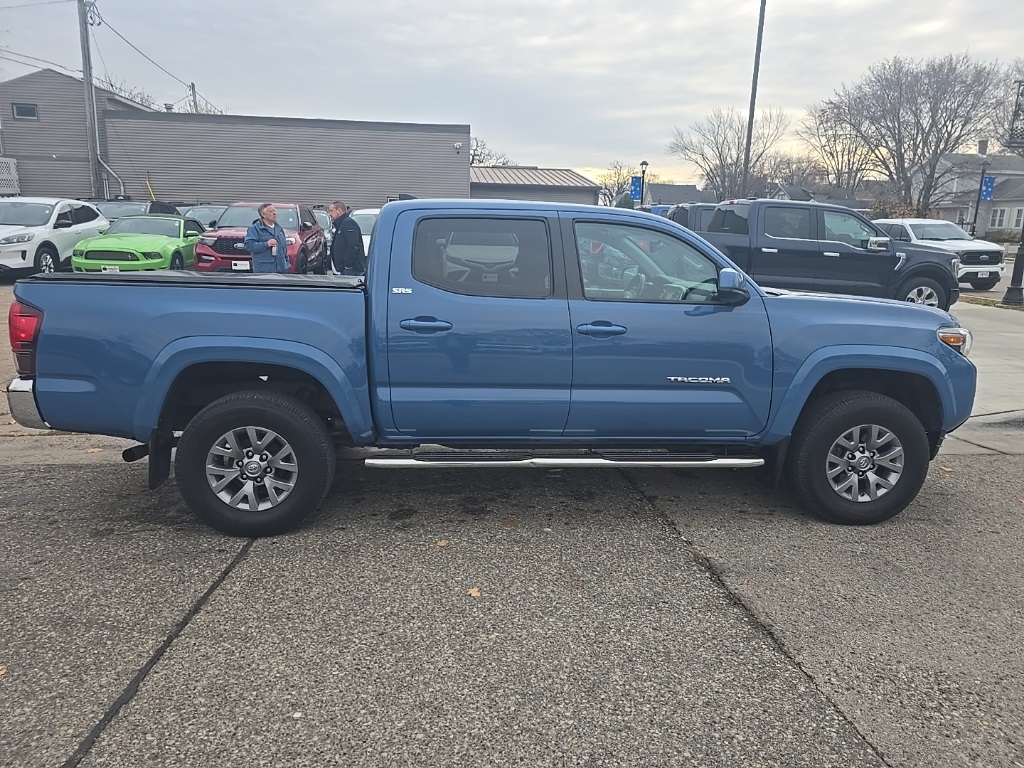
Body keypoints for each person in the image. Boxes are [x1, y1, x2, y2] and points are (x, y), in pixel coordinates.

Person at [244, 203, 290, 273]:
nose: (274, 213)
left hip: (281, 270)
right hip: (264, 271)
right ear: (263, 215)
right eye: (271, 211)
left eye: (275, 211)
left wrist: (286, 262)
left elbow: (284, 249)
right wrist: (266, 244)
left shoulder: (279, 229)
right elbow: (249, 246)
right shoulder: (255, 228)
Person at [328, 200, 366, 275]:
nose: (329, 214)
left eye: (331, 211)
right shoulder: (341, 224)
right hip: (345, 269)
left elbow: (352, 245)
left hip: (352, 269)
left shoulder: (348, 223)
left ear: (339, 210)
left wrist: (347, 265)